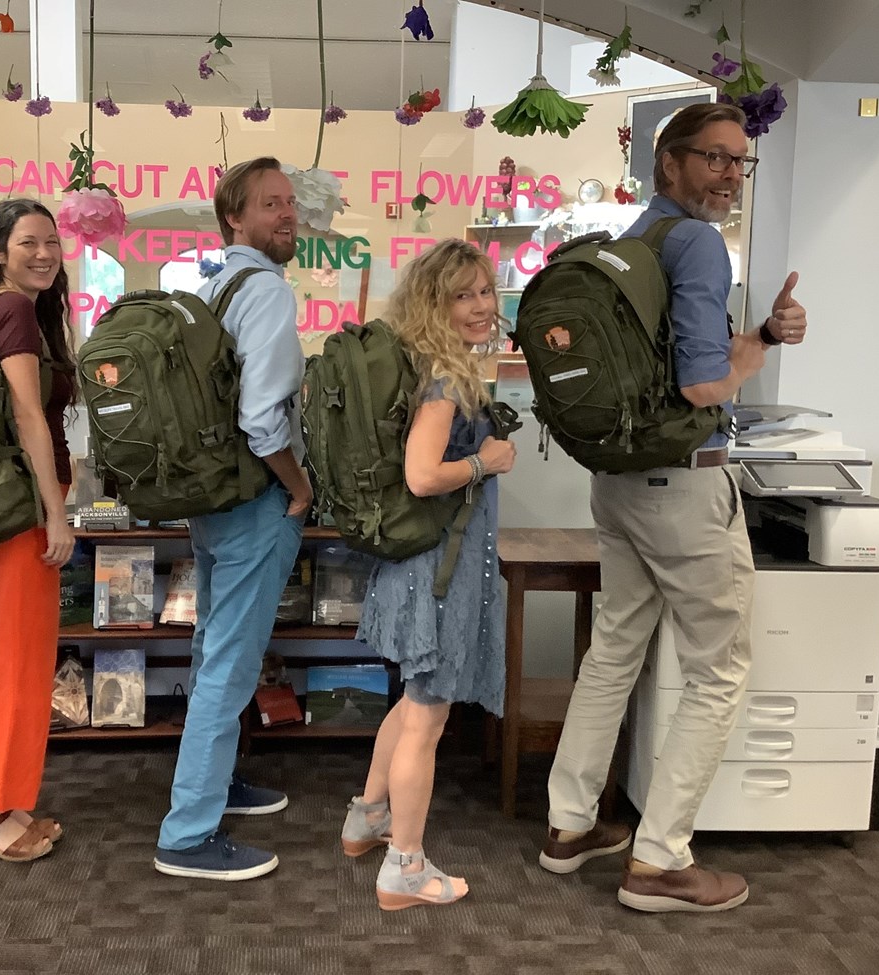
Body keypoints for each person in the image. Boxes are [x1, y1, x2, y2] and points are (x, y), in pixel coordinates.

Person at [540, 102, 808, 912]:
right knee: (719, 670)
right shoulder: (696, 244)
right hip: (686, 485)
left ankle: (569, 822)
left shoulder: (630, 244)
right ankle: (659, 861)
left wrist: (758, 328)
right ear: (670, 163)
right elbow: (701, 383)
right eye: (715, 158)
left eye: (739, 162)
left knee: (616, 645)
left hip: (619, 480)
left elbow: (663, 366)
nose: (730, 175)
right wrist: (761, 345)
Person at [340, 238, 517, 910]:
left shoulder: (427, 364)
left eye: (484, 290)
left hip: (421, 563)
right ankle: (404, 868)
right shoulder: (444, 378)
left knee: (413, 700)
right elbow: (421, 475)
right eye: (462, 294)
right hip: (439, 569)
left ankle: (369, 815)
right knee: (427, 716)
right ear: (433, 302)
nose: (479, 305)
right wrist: (487, 462)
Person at [153, 157, 312, 881]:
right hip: (252, 499)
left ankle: (212, 789)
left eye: (289, 203)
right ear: (234, 219)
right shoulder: (268, 292)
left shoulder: (214, 285)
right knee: (230, 662)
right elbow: (261, 419)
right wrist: (299, 485)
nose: (287, 215)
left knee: (213, 646)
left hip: (210, 500)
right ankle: (188, 832)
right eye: (270, 205)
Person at [0, 198, 79, 862]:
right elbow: (31, 418)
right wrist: (55, 513)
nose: (44, 252)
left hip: (1, 508)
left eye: (52, 241)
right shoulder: (15, 312)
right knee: (18, 662)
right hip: (22, 509)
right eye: (28, 241)